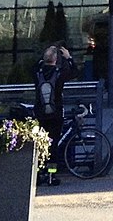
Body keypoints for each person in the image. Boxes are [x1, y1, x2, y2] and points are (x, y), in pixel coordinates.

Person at [32, 43, 77, 185]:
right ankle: (52, 176)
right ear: (56, 59)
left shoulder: (37, 73)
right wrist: (69, 58)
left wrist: (45, 55)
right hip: (55, 114)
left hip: (40, 114)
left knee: (39, 145)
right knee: (53, 146)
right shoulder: (59, 74)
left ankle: (38, 176)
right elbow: (75, 72)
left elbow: (36, 64)